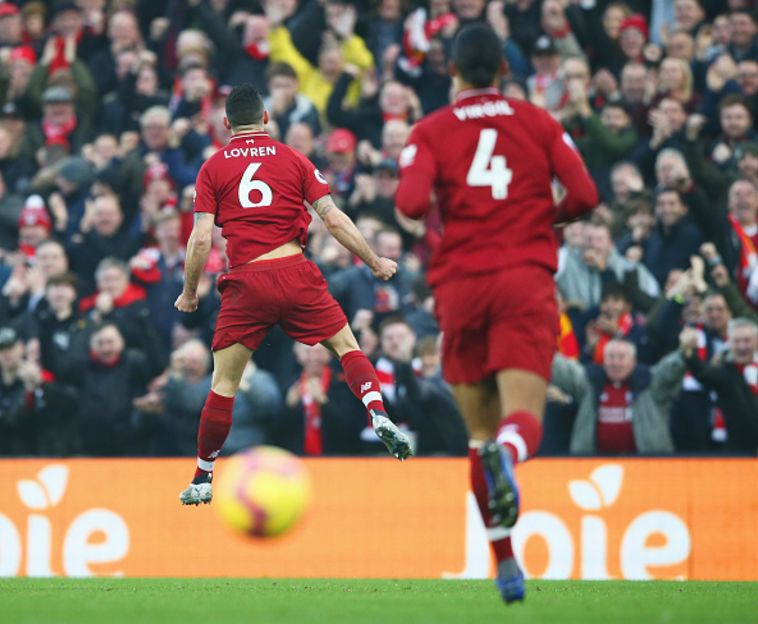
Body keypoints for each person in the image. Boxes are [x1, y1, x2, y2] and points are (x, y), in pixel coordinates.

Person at [395, 24, 597, 604]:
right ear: (504, 71)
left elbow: (409, 204)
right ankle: (511, 459)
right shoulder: (538, 122)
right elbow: (585, 195)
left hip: (460, 286)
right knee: (518, 423)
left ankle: (506, 564)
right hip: (523, 281)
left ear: (451, 71)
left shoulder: (430, 129)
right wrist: (537, 218)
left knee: (479, 436)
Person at [174, 83, 412, 506]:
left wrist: (190, 292)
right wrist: (374, 261)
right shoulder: (293, 158)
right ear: (266, 119)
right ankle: (377, 409)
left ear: (227, 124)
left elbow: (200, 240)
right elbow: (333, 219)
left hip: (247, 281)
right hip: (295, 270)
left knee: (225, 382)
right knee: (346, 347)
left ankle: (203, 476)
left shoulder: (212, 168)